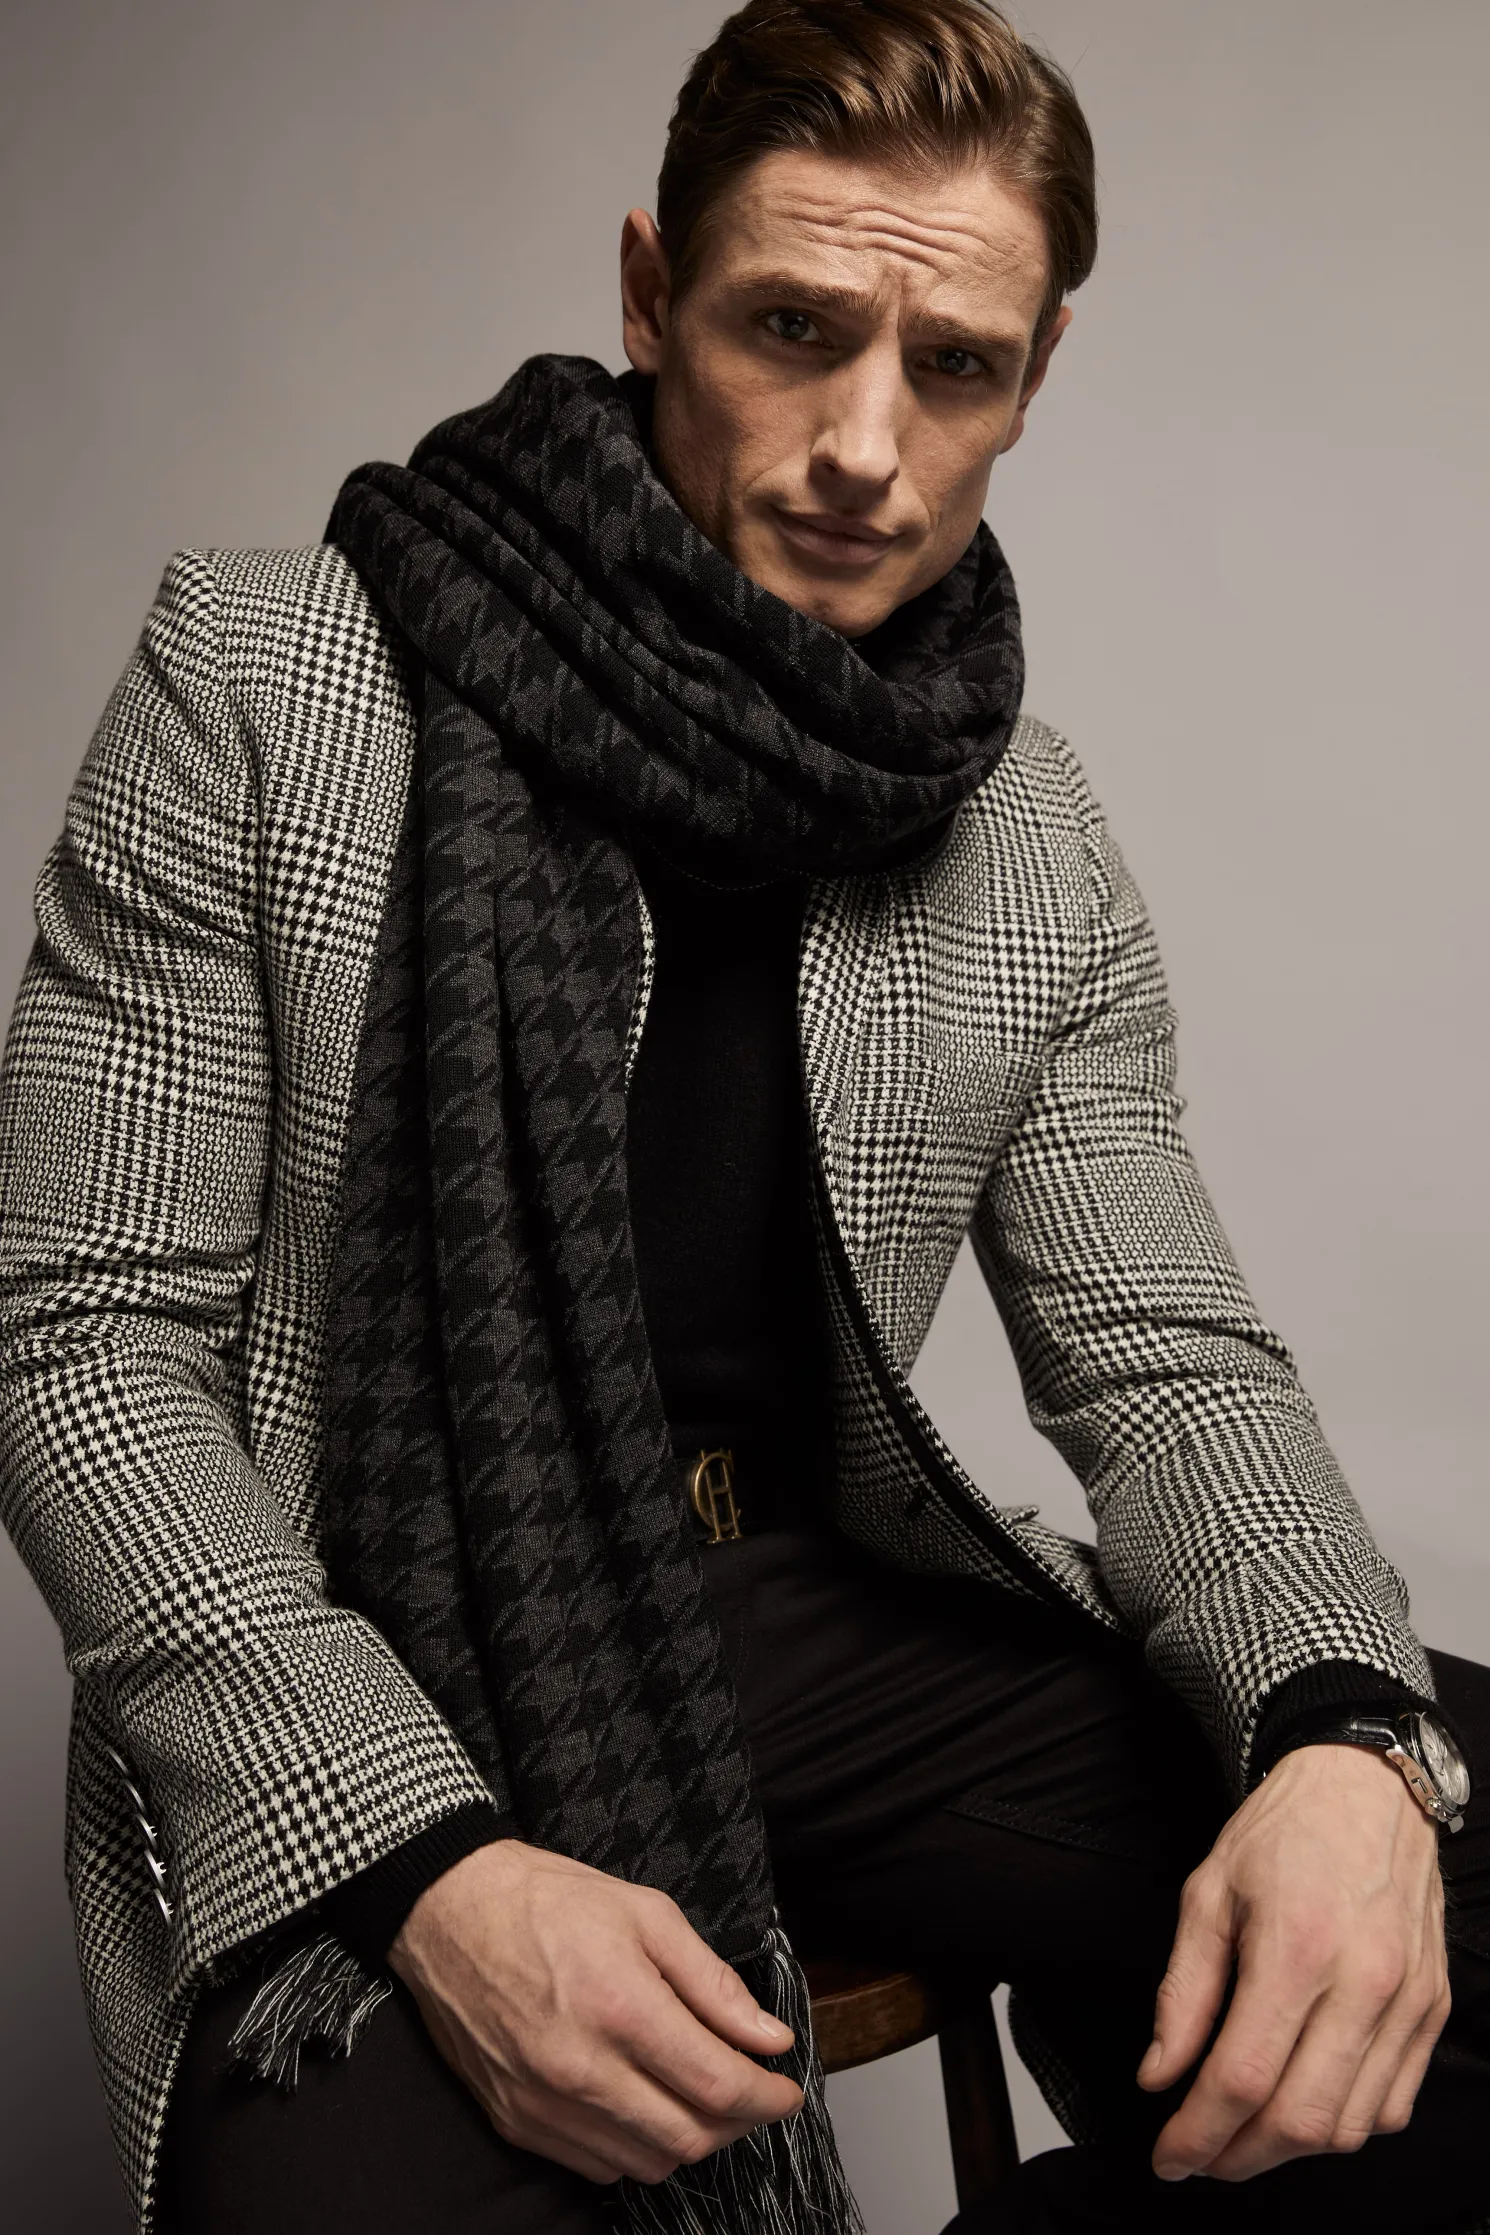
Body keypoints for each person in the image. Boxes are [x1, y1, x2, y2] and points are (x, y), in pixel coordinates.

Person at [0, 3, 1485, 2231]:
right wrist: (419, 1864)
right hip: (368, 1635)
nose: (865, 448)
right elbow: (80, 1342)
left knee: (1430, 1885)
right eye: (791, 328)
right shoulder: (270, 679)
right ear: (647, 294)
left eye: (952, 366)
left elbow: (1168, 1366)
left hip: (811, 1627)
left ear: (1034, 377)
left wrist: (1346, 1737)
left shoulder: (1020, 828)